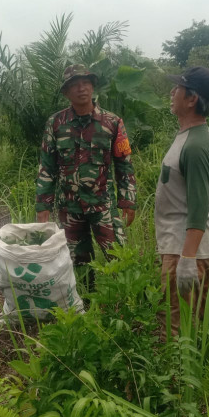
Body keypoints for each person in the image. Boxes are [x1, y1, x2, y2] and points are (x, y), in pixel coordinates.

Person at [35, 64, 136, 276]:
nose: (82, 88)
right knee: (77, 265)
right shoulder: (56, 123)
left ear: (93, 86)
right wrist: (43, 204)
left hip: (103, 205)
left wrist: (127, 200)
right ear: (66, 92)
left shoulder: (112, 122)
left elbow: (124, 163)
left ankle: (123, 297)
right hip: (69, 208)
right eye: (75, 85)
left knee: (120, 260)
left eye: (86, 83)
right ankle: (86, 297)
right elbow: (47, 166)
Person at [155, 66, 209, 336]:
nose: (172, 92)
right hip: (186, 246)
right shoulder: (189, 136)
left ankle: (190, 367)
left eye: (178, 88)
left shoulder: (195, 146)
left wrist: (186, 259)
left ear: (192, 98)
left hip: (187, 249)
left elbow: (199, 206)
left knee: (175, 326)